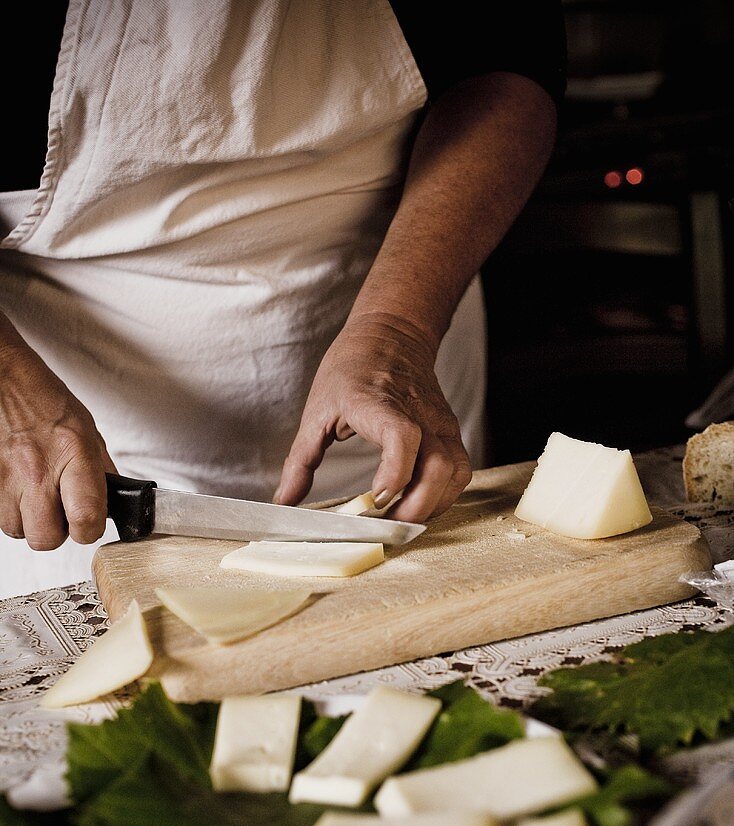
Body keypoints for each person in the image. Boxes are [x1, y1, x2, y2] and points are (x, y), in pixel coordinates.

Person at [0, 2, 564, 597]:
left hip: (404, 331)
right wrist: (8, 389)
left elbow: (508, 62)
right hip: (75, 430)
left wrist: (396, 328)